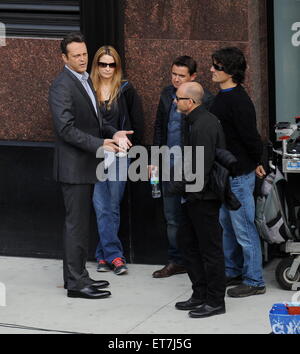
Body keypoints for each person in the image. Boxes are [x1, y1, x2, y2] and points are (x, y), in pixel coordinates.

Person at [49, 32, 132, 299]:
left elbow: (94, 121)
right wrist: (100, 144)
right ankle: (75, 284)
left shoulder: (84, 80)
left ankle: (79, 276)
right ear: (64, 58)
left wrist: (113, 133)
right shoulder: (62, 85)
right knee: (76, 226)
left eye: (84, 53)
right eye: (76, 55)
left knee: (81, 226)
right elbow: (66, 129)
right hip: (74, 168)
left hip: (85, 165)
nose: (83, 59)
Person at [209, 47, 266, 298]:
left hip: (239, 175)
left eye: (217, 66)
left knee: (243, 228)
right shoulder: (222, 96)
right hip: (225, 175)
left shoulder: (239, 101)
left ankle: (254, 280)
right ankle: (233, 270)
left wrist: (258, 160)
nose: (211, 69)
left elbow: (251, 137)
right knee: (228, 227)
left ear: (230, 71)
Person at [151, 55, 214, 278]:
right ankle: (176, 260)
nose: (176, 79)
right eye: (173, 74)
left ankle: (197, 261)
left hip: (192, 167)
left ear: (193, 77)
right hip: (168, 165)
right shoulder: (167, 95)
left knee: (196, 217)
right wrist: (154, 159)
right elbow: (159, 127)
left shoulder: (205, 99)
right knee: (171, 217)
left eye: (181, 75)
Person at [170, 82, 226, 318]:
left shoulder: (203, 125)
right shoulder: (193, 121)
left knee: (210, 250)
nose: (175, 101)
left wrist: (175, 185)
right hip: (193, 196)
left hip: (203, 197)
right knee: (188, 244)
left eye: (178, 98)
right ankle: (200, 294)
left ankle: (215, 301)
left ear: (190, 102)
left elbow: (201, 169)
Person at [90, 45, 144, 275]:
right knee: (100, 205)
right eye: (103, 64)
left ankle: (104, 255)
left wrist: (136, 151)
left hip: (120, 155)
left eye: (112, 64)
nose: (107, 68)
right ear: (96, 65)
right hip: (97, 153)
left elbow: (137, 123)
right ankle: (114, 255)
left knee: (112, 205)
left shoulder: (125, 89)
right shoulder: (88, 89)